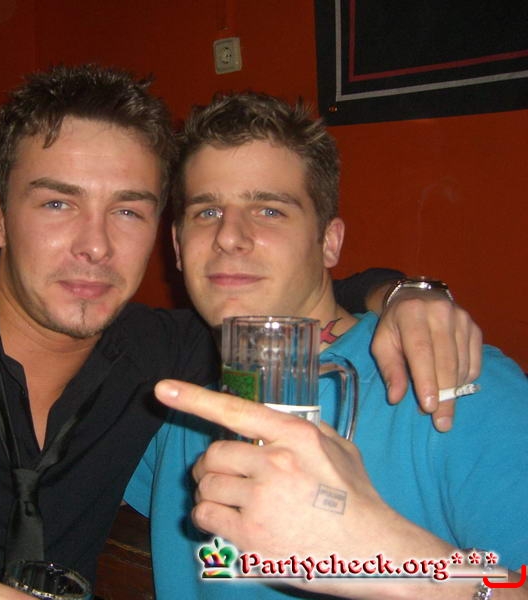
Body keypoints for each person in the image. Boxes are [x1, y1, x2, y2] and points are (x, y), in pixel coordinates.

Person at [0, 64, 479, 600]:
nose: (94, 246)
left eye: (127, 209)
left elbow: (291, 287)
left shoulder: (164, 357)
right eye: (57, 204)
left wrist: (405, 292)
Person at [122, 91, 528, 599]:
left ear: (329, 242)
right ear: (178, 247)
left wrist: (388, 557)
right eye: (207, 212)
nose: (229, 236)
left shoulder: (453, 383)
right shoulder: (175, 406)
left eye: (269, 210)